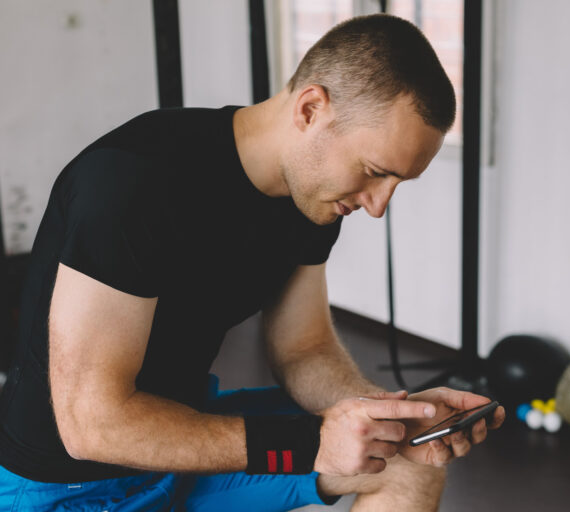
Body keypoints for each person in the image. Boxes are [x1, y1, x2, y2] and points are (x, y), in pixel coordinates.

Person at [0, 14, 505, 511]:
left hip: (181, 452)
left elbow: (304, 349)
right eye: (374, 172)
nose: (377, 205)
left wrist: (391, 416)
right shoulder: (132, 183)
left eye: (396, 184)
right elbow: (93, 427)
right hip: (65, 486)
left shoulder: (313, 197)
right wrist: (311, 443)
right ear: (311, 110)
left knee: (404, 458)